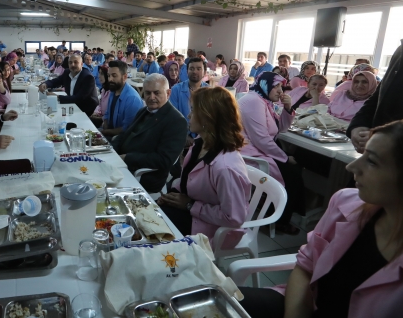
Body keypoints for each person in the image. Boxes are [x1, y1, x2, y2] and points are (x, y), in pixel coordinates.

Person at [238, 120, 403, 318]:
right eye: (363, 155)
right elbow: (305, 267)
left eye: (372, 161)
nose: (352, 167)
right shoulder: (345, 204)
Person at [158, 87, 250, 244]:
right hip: (194, 213)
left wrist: (190, 205)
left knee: (154, 233)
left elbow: (234, 218)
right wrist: (171, 195)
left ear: (208, 119)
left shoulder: (225, 167)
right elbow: (189, 180)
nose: (188, 115)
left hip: (212, 229)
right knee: (150, 215)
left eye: (193, 111)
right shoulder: (200, 144)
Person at [237, 72, 303, 234]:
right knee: (293, 175)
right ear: (264, 84)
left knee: (297, 168)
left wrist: (288, 109)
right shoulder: (253, 101)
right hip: (249, 154)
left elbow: (280, 129)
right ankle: (280, 219)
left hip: (258, 149)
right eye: (276, 86)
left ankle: (279, 210)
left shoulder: (263, 100)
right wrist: (286, 158)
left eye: (281, 86)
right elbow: (261, 139)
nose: (280, 91)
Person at [113, 74, 187, 193]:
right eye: (147, 93)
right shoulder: (144, 110)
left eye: (157, 93)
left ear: (168, 93)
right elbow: (126, 134)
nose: (151, 97)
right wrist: (112, 150)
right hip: (122, 163)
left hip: (143, 174)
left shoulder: (176, 121)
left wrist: (127, 158)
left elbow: (164, 159)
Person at [102, 60, 144, 138]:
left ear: (124, 77)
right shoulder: (113, 91)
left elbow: (126, 129)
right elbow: (107, 115)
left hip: (122, 141)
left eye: (114, 76)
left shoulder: (132, 99)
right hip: (108, 136)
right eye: (108, 75)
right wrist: (104, 129)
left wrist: (105, 132)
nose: (110, 79)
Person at [169, 57, 209, 133]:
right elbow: (172, 116)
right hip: (181, 133)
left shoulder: (209, 91)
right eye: (191, 69)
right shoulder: (176, 89)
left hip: (203, 135)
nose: (194, 71)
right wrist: (185, 135)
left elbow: (210, 117)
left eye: (199, 69)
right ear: (187, 71)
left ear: (204, 72)